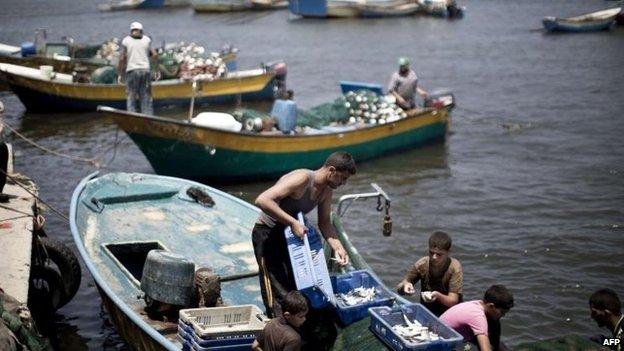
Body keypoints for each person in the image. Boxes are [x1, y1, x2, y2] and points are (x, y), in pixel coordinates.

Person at [252, 151, 356, 350]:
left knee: (296, 289)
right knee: (277, 292)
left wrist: (338, 247)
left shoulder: (326, 190)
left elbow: (325, 222)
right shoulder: (301, 178)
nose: (343, 183)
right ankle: (275, 339)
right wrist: (292, 222)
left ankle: (298, 339)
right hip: (267, 234)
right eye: (342, 178)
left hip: (291, 238)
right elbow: (262, 200)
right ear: (331, 170)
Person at [396, 231, 463, 316]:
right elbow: (400, 287)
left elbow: (453, 301)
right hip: (427, 310)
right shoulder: (422, 264)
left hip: (449, 314)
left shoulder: (454, 267)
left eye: (439, 254)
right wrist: (405, 286)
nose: (434, 257)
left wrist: (438, 296)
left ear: (448, 252)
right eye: (431, 253)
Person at [440, 285, 514, 351]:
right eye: (502, 312)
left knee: (495, 326)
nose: (504, 315)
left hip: (453, 335)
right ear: (491, 306)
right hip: (443, 342)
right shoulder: (478, 317)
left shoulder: (477, 304)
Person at [118, 21, 158, 115]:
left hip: (132, 71)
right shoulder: (147, 40)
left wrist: (120, 74)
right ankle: (148, 117)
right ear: (141, 31)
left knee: (131, 96)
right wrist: (157, 70)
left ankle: (132, 116)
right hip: (145, 70)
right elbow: (155, 55)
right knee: (146, 97)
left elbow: (122, 58)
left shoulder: (126, 40)